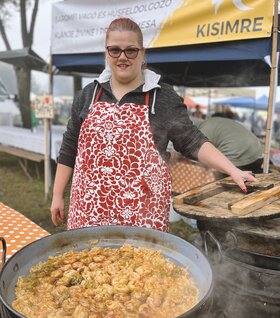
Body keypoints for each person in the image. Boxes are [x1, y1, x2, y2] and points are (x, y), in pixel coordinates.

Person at [50, 17, 255, 232]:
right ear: (106, 53)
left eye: (131, 50)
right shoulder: (88, 96)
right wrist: (57, 195)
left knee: (141, 266)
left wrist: (232, 170)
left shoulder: (162, 97)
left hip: (142, 216)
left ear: (142, 53)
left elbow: (192, 141)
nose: (123, 57)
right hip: (89, 212)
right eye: (115, 50)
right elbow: (70, 147)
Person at [191, 115, 264, 174]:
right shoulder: (211, 122)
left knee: (208, 171)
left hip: (239, 154)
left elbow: (199, 156)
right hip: (258, 154)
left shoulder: (202, 130)